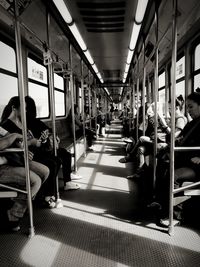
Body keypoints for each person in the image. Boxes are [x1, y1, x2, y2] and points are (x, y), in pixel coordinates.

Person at [154, 92, 200, 224]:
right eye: (188, 108)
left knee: (175, 174)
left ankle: (175, 216)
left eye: (191, 107)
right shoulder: (192, 124)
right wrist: (168, 148)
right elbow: (181, 139)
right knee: (163, 164)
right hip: (187, 159)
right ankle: (161, 202)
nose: (189, 111)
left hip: (196, 165)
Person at [25, 96, 81, 191]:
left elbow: (49, 130)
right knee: (58, 159)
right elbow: (47, 131)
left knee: (65, 154)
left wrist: (52, 136)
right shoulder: (32, 122)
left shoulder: (32, 122)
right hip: (39, 151)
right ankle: (58, 186)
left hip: (42, 148)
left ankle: (67, 179)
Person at [0, 126, 49, 232]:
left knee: (44, 172)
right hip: (2, 167)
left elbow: (12, 138)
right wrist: (15, 135)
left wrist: (23, 150)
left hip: (10, 159)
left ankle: (23, 204)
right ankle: (13, 215)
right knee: (35, 181)